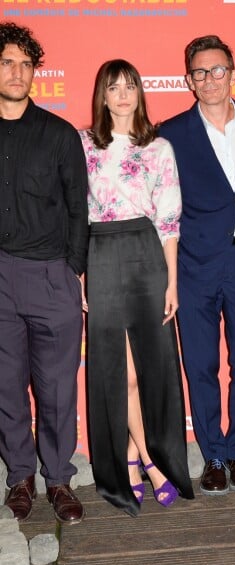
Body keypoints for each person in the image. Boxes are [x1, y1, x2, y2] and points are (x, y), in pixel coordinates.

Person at [159, 36, 235, 495]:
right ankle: (211, 455)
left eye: (218, 70)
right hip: (194, 265)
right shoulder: (171, 133)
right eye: (200, 72)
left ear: (233, 71)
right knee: (201, 364)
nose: (210, 80)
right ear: (189, 80)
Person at [81, 59, 194, 516]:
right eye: (114, 87)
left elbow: (169, 219)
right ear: (102, 95)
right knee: (120, 372)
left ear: (139, 93)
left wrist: (171, 280)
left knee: (152, 366)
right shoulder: (83, 145)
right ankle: (148, 457)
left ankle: (136, 456)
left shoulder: (159, 148)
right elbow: (75, 212)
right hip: (102, 254)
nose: (123, 95)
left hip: (148, 255)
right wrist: (81, 272)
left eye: (130, 86)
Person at [0, 22, 87, 523]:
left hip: (51, 275)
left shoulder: (58, 135)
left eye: (25, 64)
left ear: (35, 72)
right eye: (7, 62)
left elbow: (80, 208)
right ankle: (20, 476)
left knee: (56, 388)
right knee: (7, 385)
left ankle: (57, 478)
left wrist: (72, 269)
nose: (17, 72)